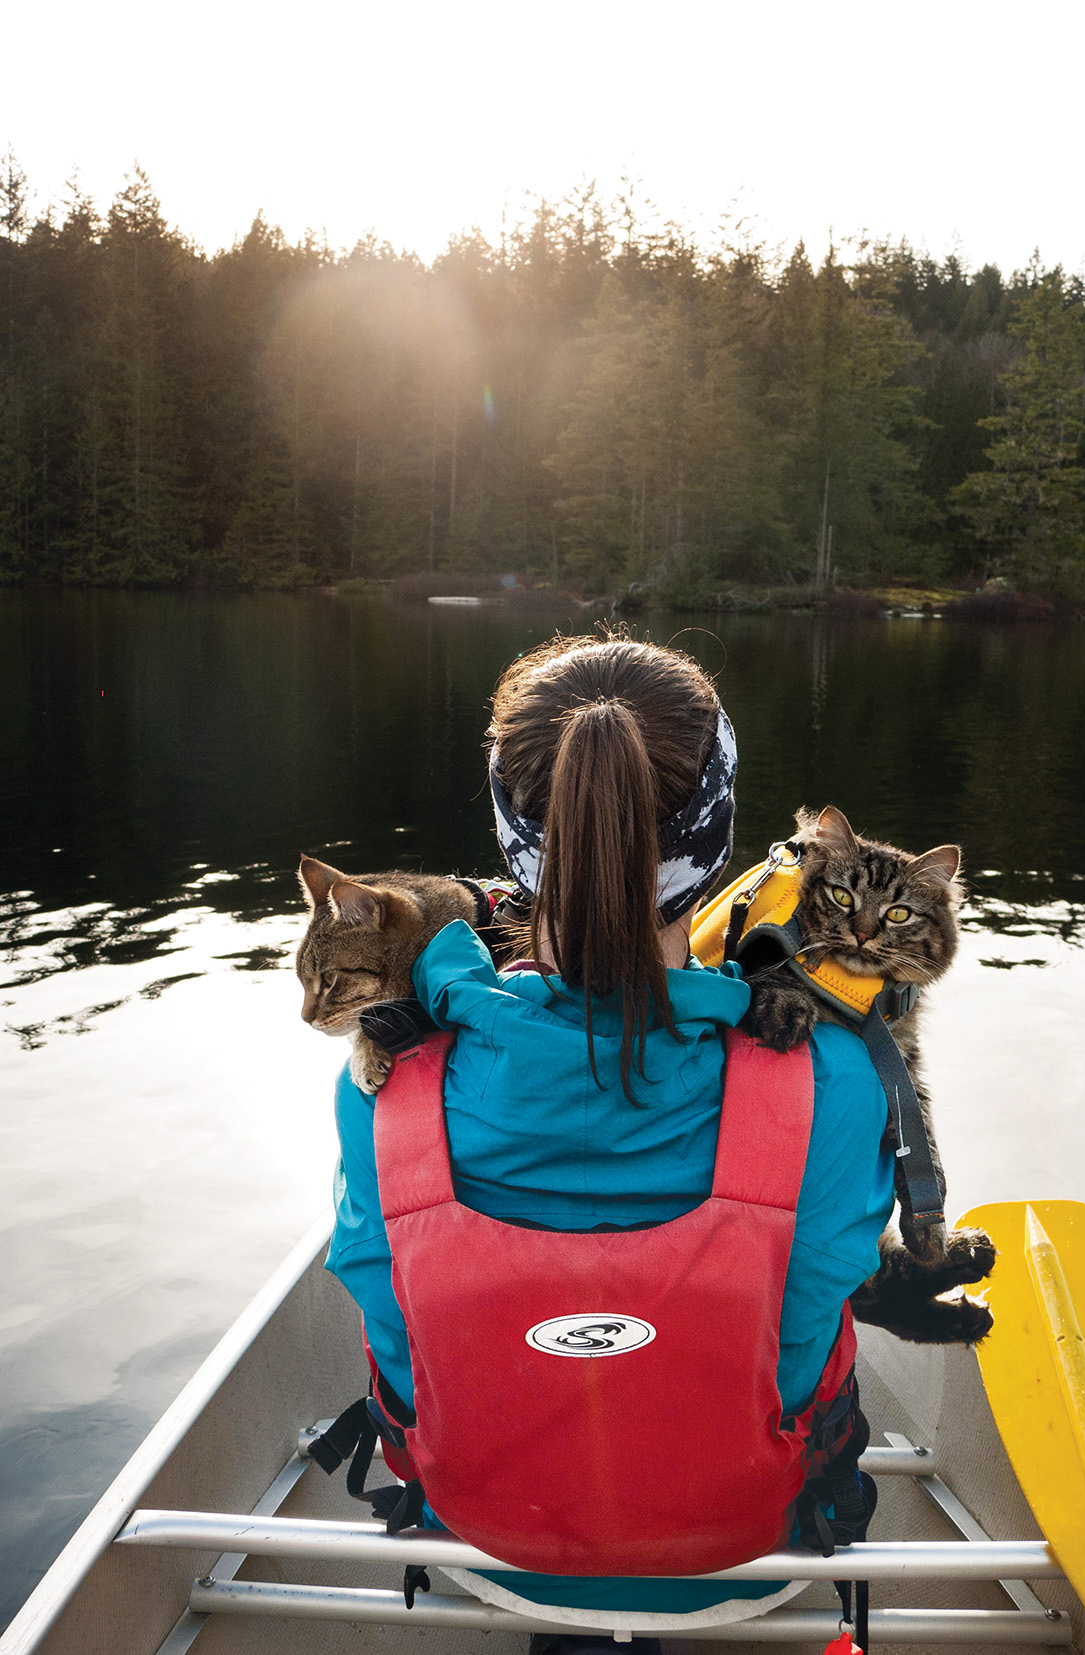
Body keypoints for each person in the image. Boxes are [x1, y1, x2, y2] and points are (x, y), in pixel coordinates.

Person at [326, 633, 893, 1641]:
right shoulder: (834, 1076)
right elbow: (806, 1334)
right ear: (714, 845)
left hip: (487, 1541)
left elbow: (398, 1343)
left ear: (513, 839)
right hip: (747, 1548)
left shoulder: (389, 1082)